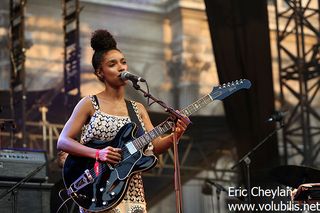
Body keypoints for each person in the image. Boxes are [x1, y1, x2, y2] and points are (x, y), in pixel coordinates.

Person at [57, 29, 190, 213]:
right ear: (100, 72)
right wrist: (98, 154)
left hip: (132, 192)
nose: (121, 67)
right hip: (97, 190)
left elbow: (155, 145)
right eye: (112, 64)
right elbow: (63, 141)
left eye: (123, 62)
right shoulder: (89, 103)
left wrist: (176, 134)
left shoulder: (138, 108)